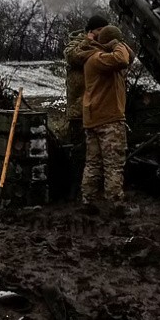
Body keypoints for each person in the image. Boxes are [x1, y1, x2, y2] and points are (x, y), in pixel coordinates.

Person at [81, 25, 134, 205]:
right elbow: (123, 59)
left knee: (93, 164)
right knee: (113, 165)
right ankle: (116, 203)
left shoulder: (95, 58)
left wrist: (117, 43)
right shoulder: (99, 59)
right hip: (109, 119)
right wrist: (117, 44)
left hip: (95, 119)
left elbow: (130, 57)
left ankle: (88, 201)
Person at [63, 15, 109, 200]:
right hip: (79, 111)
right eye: (99, 30)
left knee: (99, 154)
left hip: (99, 110)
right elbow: (73, 57)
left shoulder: (104, 45)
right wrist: (89, 42)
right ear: (91, 31)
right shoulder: (76, 44)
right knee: (79, 153)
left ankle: (95, 190)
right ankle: (75, 190)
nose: (102, 34)